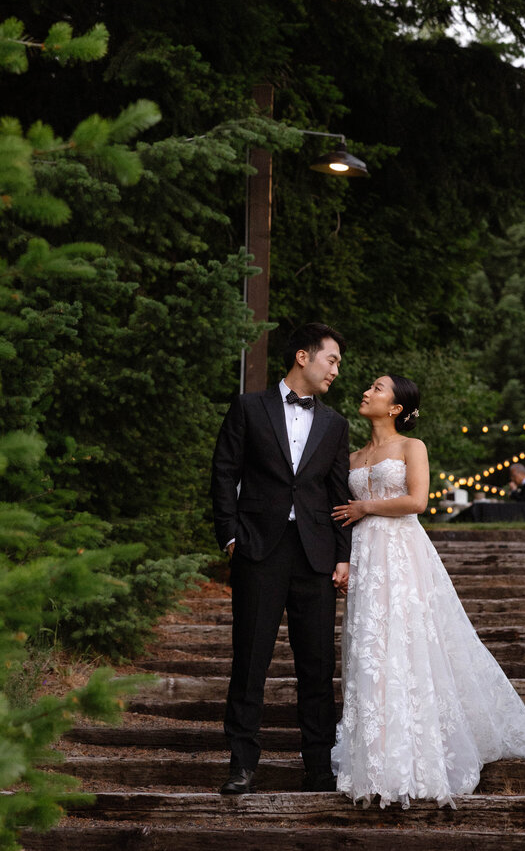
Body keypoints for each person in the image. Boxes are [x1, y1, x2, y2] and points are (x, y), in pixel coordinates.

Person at [331, 374, 525, 809]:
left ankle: (416, 754)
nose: (367, 391)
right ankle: (376, 755)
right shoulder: (351, 455)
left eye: (378, 388)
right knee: (370, 649)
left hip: (402, 553)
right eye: (370, 386)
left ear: (396, 407)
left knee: (406, 644)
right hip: (366, 556)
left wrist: (366, 506)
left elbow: (418, 501)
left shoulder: (410, 447)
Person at [211, 322, 352, 795]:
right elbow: (224, 469)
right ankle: (242, 763)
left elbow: (337, 494)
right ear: (302, 357)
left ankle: (318, 766)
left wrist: (342, 555)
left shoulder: (335, 423)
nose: (336, 371)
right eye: (331, 360)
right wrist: (229, 535)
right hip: (257, 548)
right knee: (250, 659)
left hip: (315, 555)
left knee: (316, 664)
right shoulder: (250, 407)